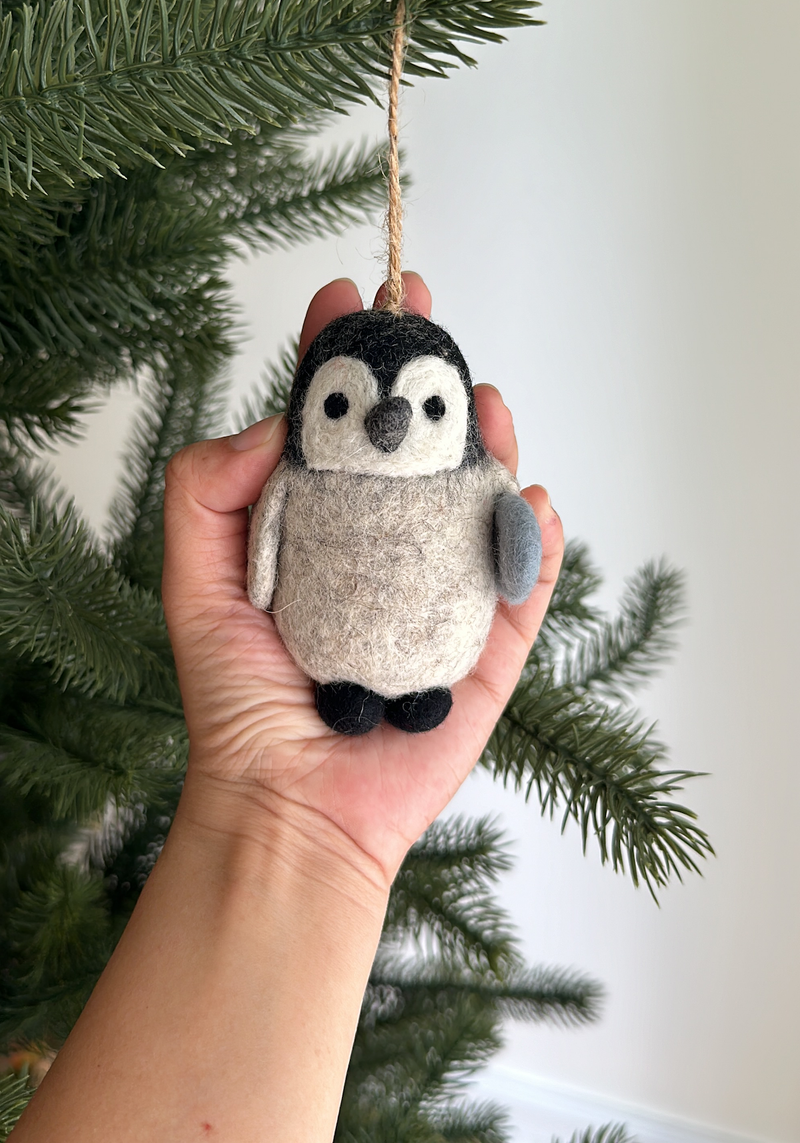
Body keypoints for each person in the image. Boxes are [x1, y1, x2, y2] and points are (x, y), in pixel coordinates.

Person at [12, 274, 563, 1143]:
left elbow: (511, 536)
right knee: (346, 686)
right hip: (321, 670)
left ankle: (419, 693)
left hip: (436, 662)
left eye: (421, 411)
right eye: (348, 405)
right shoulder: (303, 477)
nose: (385, 424)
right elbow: (265, 544)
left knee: (425, 684)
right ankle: (352, 692)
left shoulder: (472, 478)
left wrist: (514, 547)